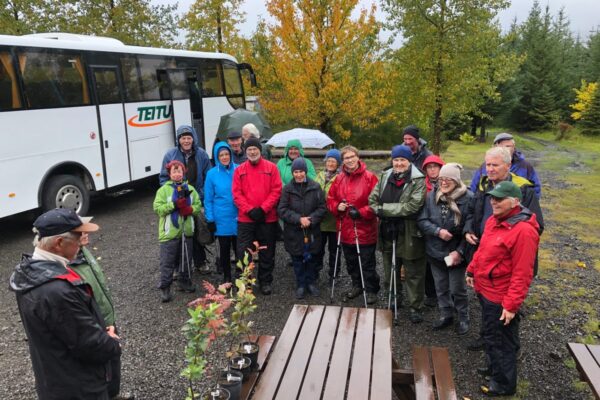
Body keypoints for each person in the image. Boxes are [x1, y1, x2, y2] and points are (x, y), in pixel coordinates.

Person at [9, 209, 121, 400]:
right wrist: (111, 341)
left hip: (55, 378)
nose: (82, 242)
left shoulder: (29, 274)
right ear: (59, 243)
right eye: (77, 237)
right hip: (79, 388)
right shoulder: (57, 290)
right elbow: (89, 345)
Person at [464, 146, 544, 351]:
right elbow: (472, 212)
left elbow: (536, 226)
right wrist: (467, 229)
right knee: (486, 305)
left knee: (505, 313)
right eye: (487, 165)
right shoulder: (483, 185)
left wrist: (503, 244)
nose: (489, 169)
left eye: (494, 165)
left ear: (507, 166)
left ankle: (508, 352)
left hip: (505, 262)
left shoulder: (522, 189)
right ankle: (487, 339)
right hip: (484, 253)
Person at [466, 181, 540, 397]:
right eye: (492, 198)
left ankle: (503, 384)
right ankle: (493, 367)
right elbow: (483, 250)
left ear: (515, 202)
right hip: (485, 288)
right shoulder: (494, 220)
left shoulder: (524, 231)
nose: (494, 202)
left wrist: (511, 305)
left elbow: (522, 273)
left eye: (499, 199)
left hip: (500, 296)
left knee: (501, 341)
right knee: (492, 335)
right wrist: (471, 270)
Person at [69, 221, 133, 400]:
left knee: (113, 359)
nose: (85, 235)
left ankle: (113, 394)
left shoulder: (83, 252)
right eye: (80, 233)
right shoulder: (67, 265)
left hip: (107, 319)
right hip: (96, 324)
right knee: (99, 367)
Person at [369, 145, 426, 321]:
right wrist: (380, 209)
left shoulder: (418, 180)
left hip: (409, 232)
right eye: (396, 160)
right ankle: (394, 298)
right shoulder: (385, 176)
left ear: (409, 161)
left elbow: (413, 206)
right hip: (387, 230)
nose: (399, 163)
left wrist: (383, 209)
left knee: (413, 271)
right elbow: (372, 199)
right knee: (389, 267)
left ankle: (415, 306)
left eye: (403, 160)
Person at [417, 163, 472, 335]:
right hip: (434, 251)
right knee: (440, 287)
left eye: (448, 179)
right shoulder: (431, 196)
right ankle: (446, 314)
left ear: (456, 180)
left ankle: (463, 317)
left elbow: (471, 229)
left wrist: (460, 252)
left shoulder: (468, 198)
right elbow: (422, 220)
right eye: (441, 179)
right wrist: (437, 231)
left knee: (457, 289)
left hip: (456, 254)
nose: (444, 182)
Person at [327, 145, 379, 304]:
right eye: (346, 158)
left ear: (358, 157)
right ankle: (357, 285)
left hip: (364, 228)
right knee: (351, 262)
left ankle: (371, 289)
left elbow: (377, 203)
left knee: (366, 262)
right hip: (345, 228)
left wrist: (362, 212)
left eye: (351, 157)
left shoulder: (370, 177)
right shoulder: (339, 178)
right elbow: (330, 199)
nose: (349, 160)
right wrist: (337, 207)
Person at [232, 137, 282, 295]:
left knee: (267, 252)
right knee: (243, 252)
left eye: (255, 149)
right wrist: (250, 210)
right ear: (245, 152)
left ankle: (265, 281)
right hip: (246, 219)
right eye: (249, 150)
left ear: (260, 151)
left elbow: (276, 190)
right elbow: (236, 194)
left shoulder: (272, 168)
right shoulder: (239, 170)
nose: (252, 152)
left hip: (267, 218)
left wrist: (263, 209)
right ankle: (245, 282)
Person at [159, 125, 211, 273]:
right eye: (183, 138)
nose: (186, 141)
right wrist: (171, 193)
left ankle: (200, 262)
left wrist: (202, 196)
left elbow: (208, 176)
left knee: (197, 232)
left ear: (193, 138)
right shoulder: (170, 155)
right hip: (176, 200)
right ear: (178, 139)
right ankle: (178, 267)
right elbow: (163, 178)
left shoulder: (201, 154)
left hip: (196, 198)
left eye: (189, 137)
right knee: (176, 235)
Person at [278, 157, 327, 299]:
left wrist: (310, 220)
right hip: (294, 231)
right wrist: (298, 219)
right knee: (297, 259)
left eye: (301, 171)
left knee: (312, 259)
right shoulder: (287, 189)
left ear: (305, 171)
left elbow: (322, 208)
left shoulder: (315, 187)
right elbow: (282, 209)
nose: (298, 174)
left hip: (311, 230)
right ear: (293, 173)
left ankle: (311, 283)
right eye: (296, 172)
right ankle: (300, 284)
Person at [153, 160, 202, 302]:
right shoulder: (163, 190)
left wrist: (190, 209)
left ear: (183, 172)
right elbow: (158, 209)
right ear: (169, 173)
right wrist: (174, 205)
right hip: (169, 232)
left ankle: (184, 281)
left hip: (186, 231)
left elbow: (198, 205)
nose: (177, 174)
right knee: (167, 261)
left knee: (186, 259)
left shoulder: (190, 189)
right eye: (174, 171)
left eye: (179, 171)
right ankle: (165, 287)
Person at [204, 142, 238, 283]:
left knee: (240, 250)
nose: (224, 157)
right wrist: (210, 218)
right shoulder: (211, 174)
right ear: (217, 157)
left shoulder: (239, 169)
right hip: (221, 218)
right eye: (221, 155)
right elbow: (208, 199)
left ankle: (242, 276)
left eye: (226, 154)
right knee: (224, 250)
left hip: (238, 216)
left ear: (230, 154)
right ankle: (227, 277)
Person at [470, 133, 541, 198]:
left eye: (508, 146)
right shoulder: (485, 166)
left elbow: (535, 191)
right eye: (500, 146)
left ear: (514, 147)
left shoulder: (525, 165)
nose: (505, 149)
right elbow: (474, 188)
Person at [314, 149, 342, 285]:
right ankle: (316, 271)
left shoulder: (342, 177)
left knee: (334, 250)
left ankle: (334, 274)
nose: (330, 164)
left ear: (338, 163)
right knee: (318, 248)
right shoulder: (319, 175)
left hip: (334, 220)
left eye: (334, 161)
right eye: (329, 161)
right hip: (320, 220)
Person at [421, 154, 446, 308]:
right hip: (427, 228)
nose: (432, 170)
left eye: (435, 166)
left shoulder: (449, 182)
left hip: (445, 229)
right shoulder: (421, 185)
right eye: (429, 167)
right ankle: (431, 293)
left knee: (445, 263)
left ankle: (447, 293)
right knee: (428, 264)